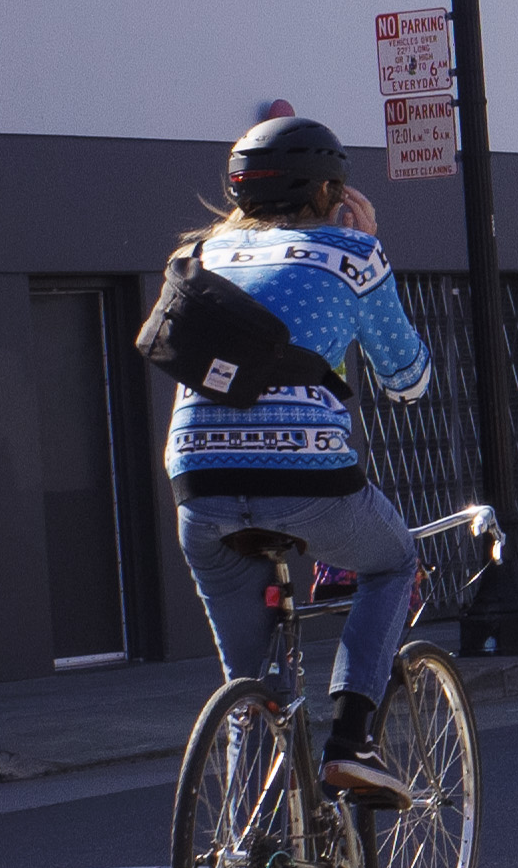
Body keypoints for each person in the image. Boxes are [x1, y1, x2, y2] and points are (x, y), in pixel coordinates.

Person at [163, 111, 438, 795]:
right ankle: (352, 739)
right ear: (327, 190)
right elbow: (407, 378)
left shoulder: (201, 257)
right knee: (394, 561)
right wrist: (366, 252)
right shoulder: (351, 254)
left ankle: (253, 860)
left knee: (249, 679)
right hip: (307, 476)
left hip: (197, 483)